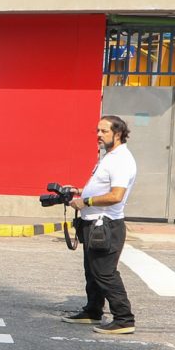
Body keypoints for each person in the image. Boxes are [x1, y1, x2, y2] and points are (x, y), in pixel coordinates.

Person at [62, 115, 138, 336]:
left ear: (118, 133)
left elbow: (116, 195)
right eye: (97, 130)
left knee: (105, 273)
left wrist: (86, 201)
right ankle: (93, 310)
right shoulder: (109, 157)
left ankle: (124, 318)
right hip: (94, 222)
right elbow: (103, 187)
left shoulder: (121, 160)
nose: (98, 135)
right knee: (92, 270)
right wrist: (80, 192)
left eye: (103, 131)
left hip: (106, 224)